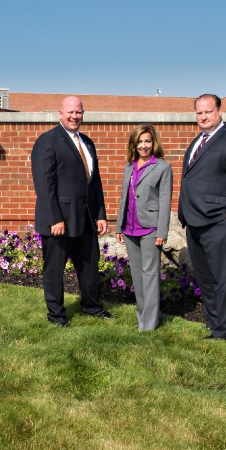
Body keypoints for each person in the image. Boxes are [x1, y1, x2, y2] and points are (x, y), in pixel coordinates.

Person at [178, 94, 226, 341]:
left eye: (208, 112)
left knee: (224, 278)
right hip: (194, 220)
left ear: (219, 111)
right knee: (205, 278)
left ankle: (225, 331)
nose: (203, 117)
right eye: (199, 113)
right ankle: (214, 323)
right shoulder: (197, 141)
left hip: (220, 221)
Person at [31, 95, 111, 327]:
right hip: (59, 220)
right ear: (60, 113)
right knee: (54, 270)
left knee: (89, 266)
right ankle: (56, 315)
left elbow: (95, 182)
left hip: (86, 218)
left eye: (79, 112)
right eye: (70, 112)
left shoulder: (87, 142)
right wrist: (54, 218)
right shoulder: (47, 141)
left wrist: (100, 214)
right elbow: (44, 185)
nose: (75, 116)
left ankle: (92, 306)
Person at [115, 124, 173, 331]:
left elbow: (165, 201)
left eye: (147, 141)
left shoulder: (162, 167)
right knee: (137, 275)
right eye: (139, 142)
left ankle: (149, 324)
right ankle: (142, 315)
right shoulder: (129, 167)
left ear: (153, 143)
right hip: (129, 228)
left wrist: (162, 231)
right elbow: (124, 198)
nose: (144, 145)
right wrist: (119, 226)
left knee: (150, 274)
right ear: (134, 144)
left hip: (150, 228)